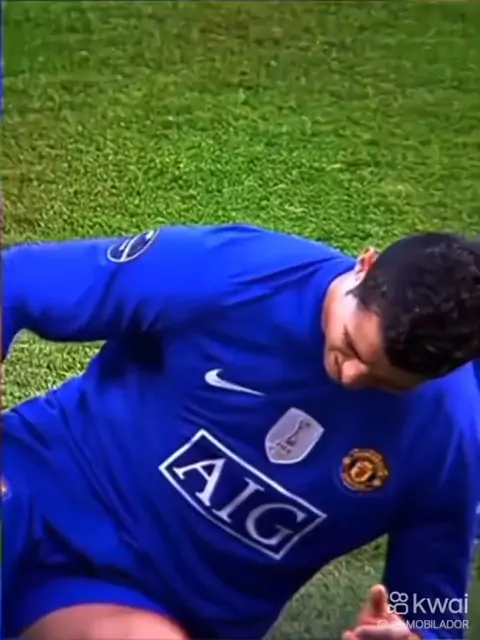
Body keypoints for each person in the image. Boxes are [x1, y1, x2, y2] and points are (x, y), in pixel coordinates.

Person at [2, 223, 480, 640]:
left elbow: (433, 610)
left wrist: (412, 634)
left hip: (134, 603)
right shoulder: (236, 271)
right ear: (365, 266)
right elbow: (17, 282)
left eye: (384, 381)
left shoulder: (448, 439)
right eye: (352, 345)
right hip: (34, 490)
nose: (351, 376)